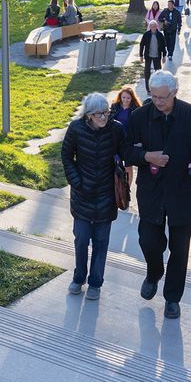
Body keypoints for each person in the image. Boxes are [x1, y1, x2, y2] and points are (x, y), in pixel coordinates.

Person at [123, 70, 191, 319]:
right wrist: (146, 157)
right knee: (148, 241)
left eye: (163, 97)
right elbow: (124, 150)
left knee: (180, 249)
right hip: (151, 193)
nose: (158, 102)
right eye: (154, 97)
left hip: (183, 193)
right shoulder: (139, 117)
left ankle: (172, 298)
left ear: (175, 92)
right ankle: (154, 272)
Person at [61, 92, 129, 301]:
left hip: (107, 194)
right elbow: (66, 156)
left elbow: (126, 152)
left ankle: (95, 283)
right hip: (82, 194)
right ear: (89, 115)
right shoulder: (76, 129)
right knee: (81, 239)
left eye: (106, 113)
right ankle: (79, 277)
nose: (103, 118)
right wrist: (76, 181)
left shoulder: (116, 129)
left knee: (101, 241)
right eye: (99, 114)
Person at [139, 20, 167, 92]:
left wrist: (164, 56)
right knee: (147, 72)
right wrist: (141, 55)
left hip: (157, 56)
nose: (153, 28)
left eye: (154, 26)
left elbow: (163, 46)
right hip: (148, 55)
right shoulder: (146, 34)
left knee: (158, 72)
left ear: (156, 26)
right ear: (150, 27)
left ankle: (158, 87)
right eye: (151, 27)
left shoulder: (160, 35)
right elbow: (142, 45)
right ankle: (148, 89)